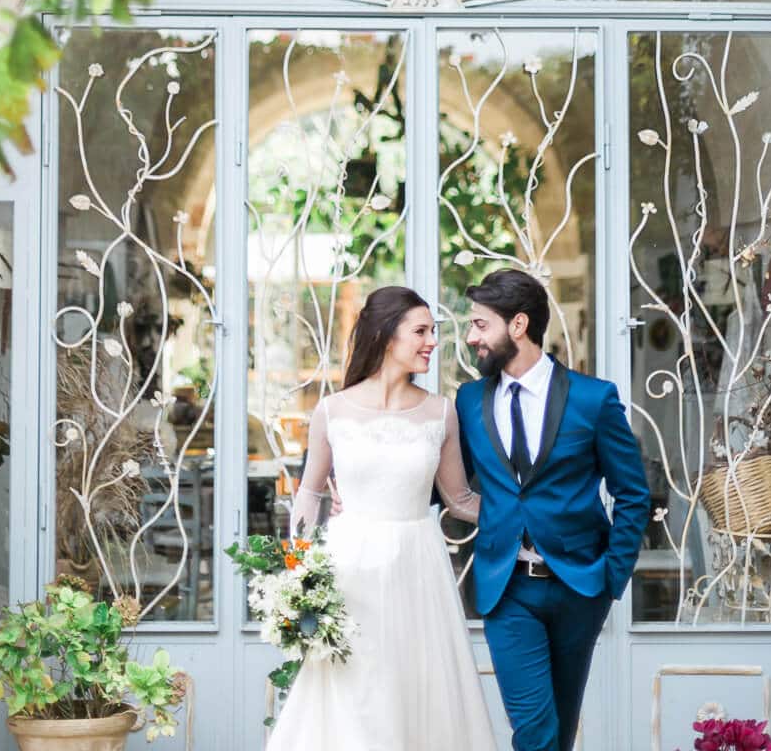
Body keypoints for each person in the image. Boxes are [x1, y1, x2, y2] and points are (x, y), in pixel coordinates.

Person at [268, 285, 496, 751]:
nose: (432, 341)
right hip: (349, 572)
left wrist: (527, 517)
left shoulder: (441, 412)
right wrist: (300, 575)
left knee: (416, 694)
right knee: (354, 696)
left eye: (433, 331)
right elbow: (309, 495)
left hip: (419, 571)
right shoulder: (333, 410)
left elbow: (459, 501)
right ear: (386, 334)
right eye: (421, 331)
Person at [457, 269, 651, 751]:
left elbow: (632, 494)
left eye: (481, 324)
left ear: (517, 325)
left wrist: (611, 576)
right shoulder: (467, 401)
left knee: (560, 732)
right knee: (535, 731)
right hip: (507, 590)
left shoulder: (593, 398)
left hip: (579, 588)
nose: (471, 336)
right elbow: (447, 484)